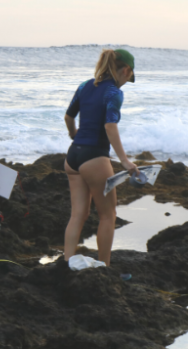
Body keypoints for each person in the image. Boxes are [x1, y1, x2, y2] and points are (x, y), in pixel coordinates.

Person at [63, 49, 140, 266]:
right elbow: (110, 125)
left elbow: (69, 117)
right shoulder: (114, 92)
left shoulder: (85, 86)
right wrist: (124, 160)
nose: (126, 83)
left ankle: (67, 263)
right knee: (108, 216)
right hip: (94, 157)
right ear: (126, 70)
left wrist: (74, 135)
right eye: (128, 78)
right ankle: (104, 268)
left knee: (78, 214)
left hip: (73, 157)